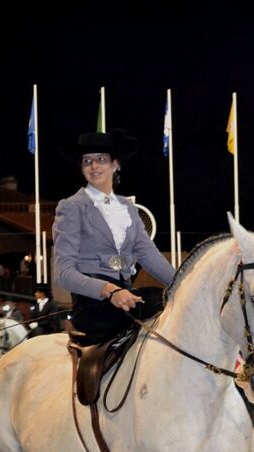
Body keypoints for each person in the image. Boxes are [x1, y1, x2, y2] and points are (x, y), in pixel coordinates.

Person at [53, 129, 175, 405]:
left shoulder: (128, 209)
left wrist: (185, 282)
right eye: (87, 161)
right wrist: (109, 290)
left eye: (101, 159)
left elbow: (150, 256)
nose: (94, 166)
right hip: (92, 303)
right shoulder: (71, 208)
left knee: (169, 302)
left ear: (115, 164)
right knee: (154, 300)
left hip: (127, 296)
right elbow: (62, 272)